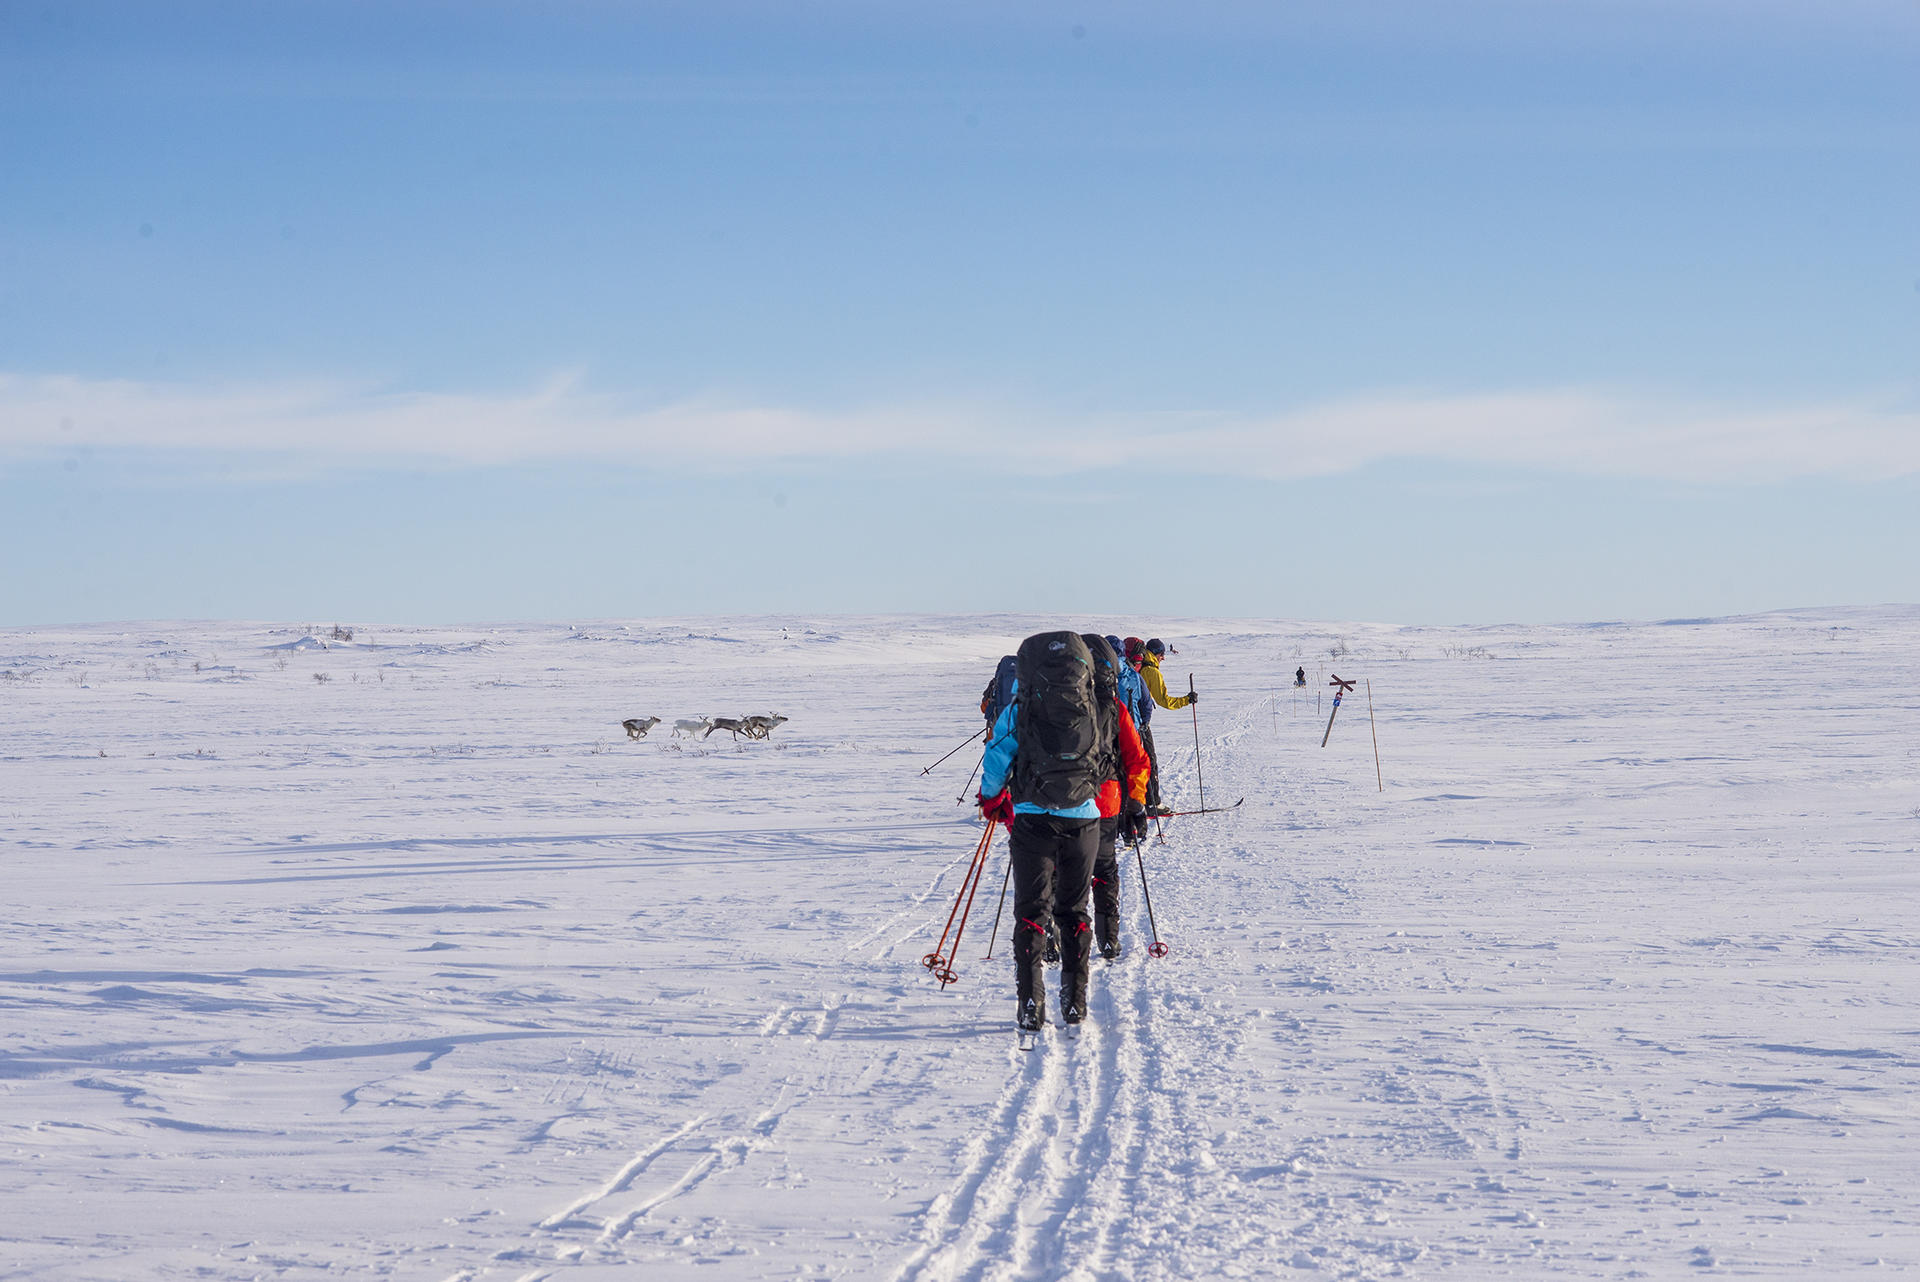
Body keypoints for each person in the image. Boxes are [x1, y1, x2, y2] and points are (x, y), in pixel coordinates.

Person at [978, 632, 1110, 1032]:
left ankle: (1030, 1004)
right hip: (1084, 817)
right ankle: (1075, 1003)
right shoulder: (1090, 703)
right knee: (1075, 911)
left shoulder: (1021, 704)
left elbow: (998, 752)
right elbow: (1105, 753)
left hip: (1033, 819)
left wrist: (992, 798)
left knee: (1032, 913)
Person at [1081, 635, 1151, 961]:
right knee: (1104, 870)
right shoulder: (1114, 707)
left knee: (1060, 871)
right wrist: (1136, 802)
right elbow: (1137, 759)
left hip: (1058, 803)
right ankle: (1108, 940)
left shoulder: (1051, 706)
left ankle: (1055, 938)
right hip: (1105, 801)